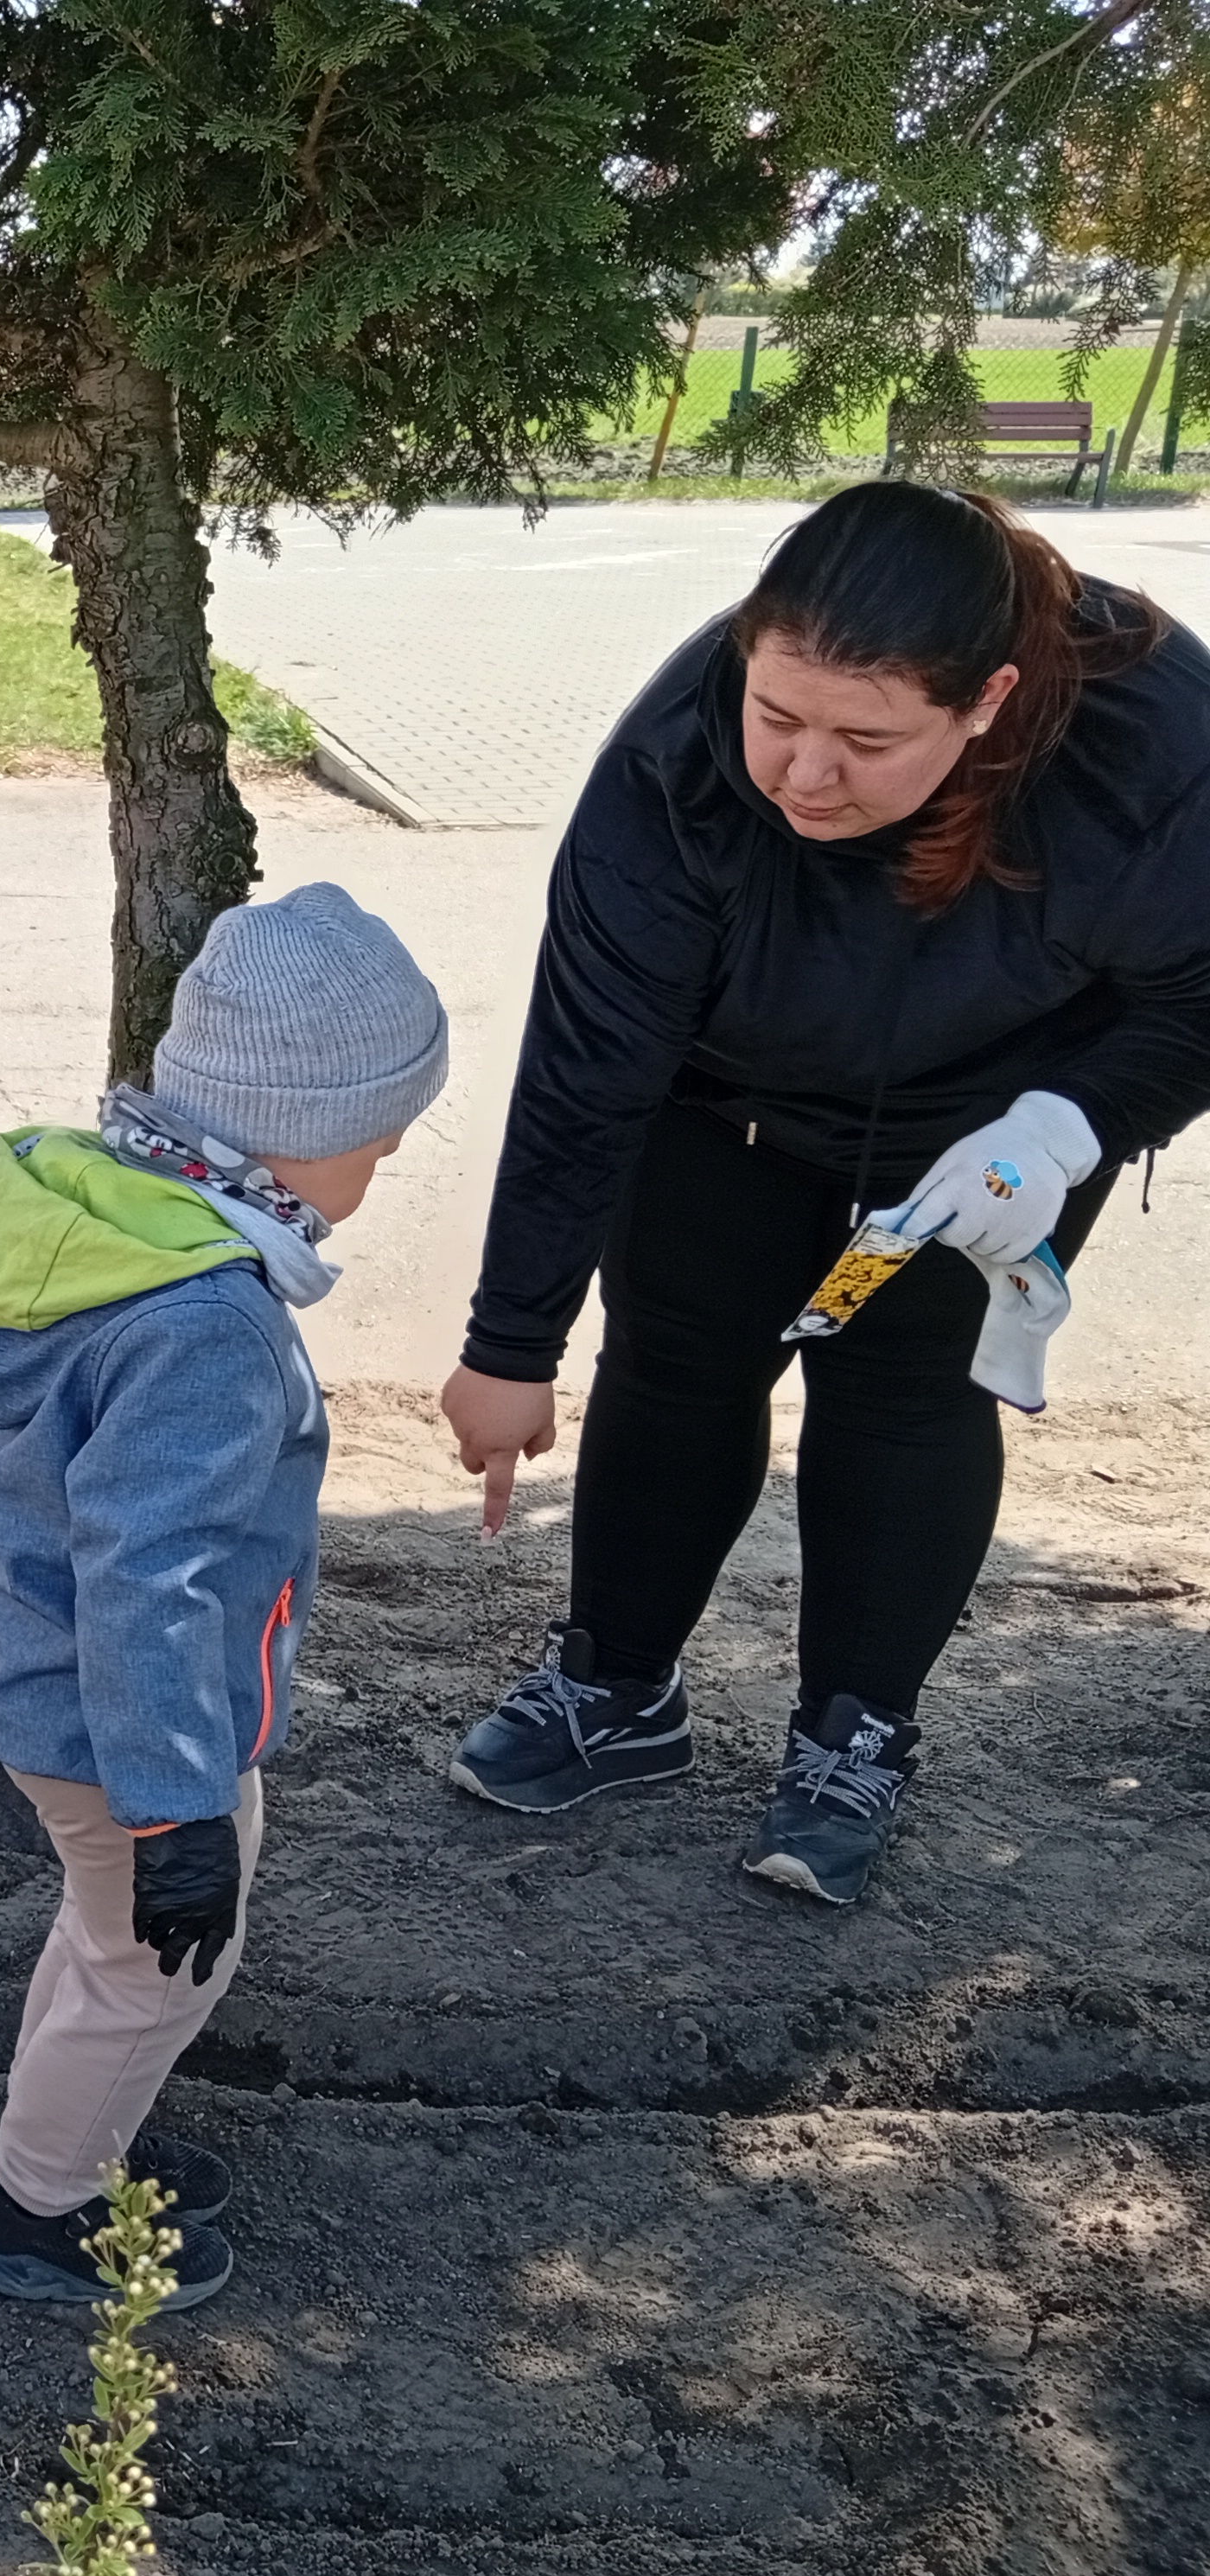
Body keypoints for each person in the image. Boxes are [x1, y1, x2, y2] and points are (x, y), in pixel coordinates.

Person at [442, 483, 1210, 1907]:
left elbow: (1203, 988)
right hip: (718, 1100)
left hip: (992, 1134)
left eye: (865, 742)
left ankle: (853, 1734)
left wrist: (1067, 1129)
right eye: (778, 715)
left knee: (905, 1391)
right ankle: (615, 1684)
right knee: (677, 1356)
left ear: (986, 702)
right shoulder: (675, 766)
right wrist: (510, 1339)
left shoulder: (1156, 744)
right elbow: (587, 1064)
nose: (804, 774)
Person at [0, 885, 448, 2311]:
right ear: (303, 1128)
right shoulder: (208, 1320)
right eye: (383, 1138)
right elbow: (150, 1577)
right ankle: (36, 2208)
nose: (387, 1160)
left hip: (40, 1660)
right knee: (159, 1963)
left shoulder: (80, 1210)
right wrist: (174, 1813)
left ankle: (69, 2137)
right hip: (130, 1727)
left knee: (110, 1942)